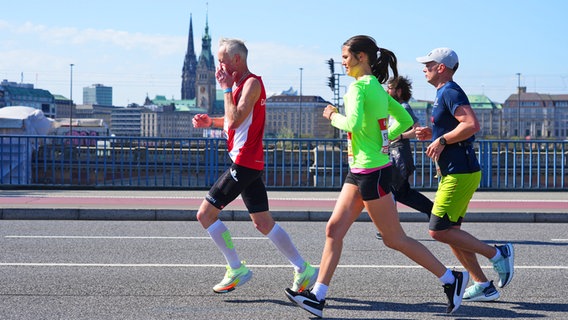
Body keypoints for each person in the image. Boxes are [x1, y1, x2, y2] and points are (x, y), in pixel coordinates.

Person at [285, 35, 468, 318]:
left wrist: (332, 115)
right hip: (358, 170)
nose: (342, 62)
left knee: (395, 239)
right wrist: (384, 141)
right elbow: (406, 121)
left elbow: (353, 124)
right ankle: (317, 296)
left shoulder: (359, 88)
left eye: (346, 57)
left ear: (362, 58)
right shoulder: (378, 88)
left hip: (373, 173)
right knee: (333, 230)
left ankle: (450, 279)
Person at [192, 38, 317, 295]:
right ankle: (302, 267)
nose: (219, 67)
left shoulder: (250, 84)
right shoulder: (240, 84)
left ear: (236, 60)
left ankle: (236, 267)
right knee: (262, 222)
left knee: (205, 215)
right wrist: (210, 123)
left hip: (245, 162)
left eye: (222, 61)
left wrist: (225, 89)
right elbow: (232, 120)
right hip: (248, 161)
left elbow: (236, 119)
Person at [414, 47, 514, 302]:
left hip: (460, 171)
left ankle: (497, 253)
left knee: (438, 230)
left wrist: (443, 140)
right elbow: (454, 126)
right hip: (455, 170)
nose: (423, 68)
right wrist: (434, 134)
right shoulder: (442, 93)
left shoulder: (450, 90)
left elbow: (471, 125)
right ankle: (482, 284)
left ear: (442, 68)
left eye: (428, 64)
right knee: (451, 231)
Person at [376, 76, 434, 240]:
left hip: (399, 154)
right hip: (394, 153)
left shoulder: (404, 106)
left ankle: (389, 229)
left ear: (399, 91)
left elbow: (417, 129)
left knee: (392, 192)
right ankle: (434, 212)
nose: (387, 91)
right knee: (401, 193)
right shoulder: (393, 107)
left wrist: (400, 136)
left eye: (390, 88)